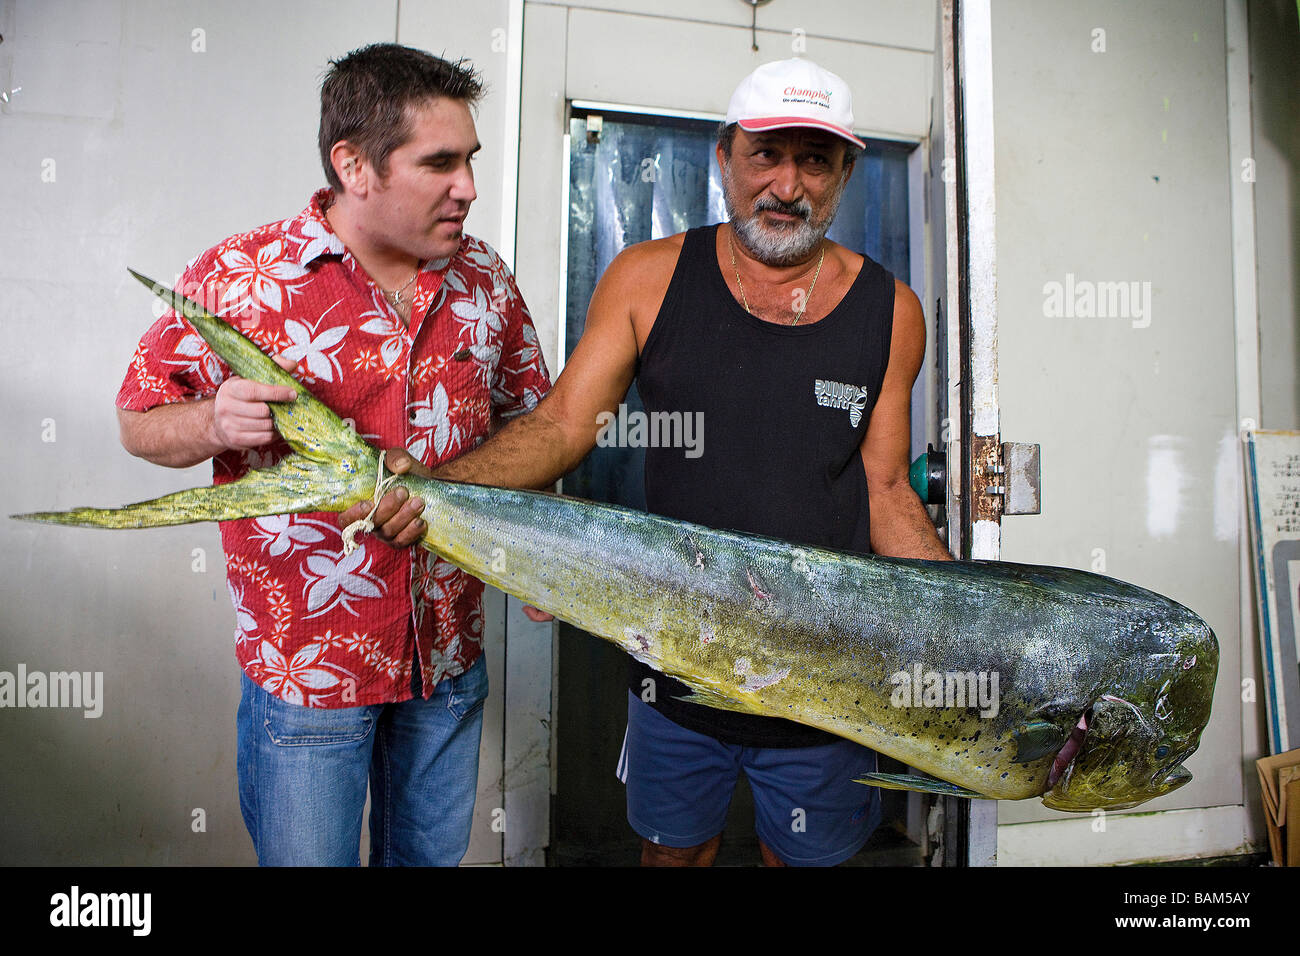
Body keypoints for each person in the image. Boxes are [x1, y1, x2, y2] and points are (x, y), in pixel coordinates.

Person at [347, 57, 953, 866]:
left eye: (815, 160)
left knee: (805, 861)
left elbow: (885, 490)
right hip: (673, 657)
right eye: (765, 155)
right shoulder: (647, 278)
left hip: (823, 676)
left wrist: (962, 638)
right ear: (724, 158)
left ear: (844, 172)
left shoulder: (891, 310)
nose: (787, 185)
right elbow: (565, 425)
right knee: (675, 857)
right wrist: (436, 488)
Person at [114, 44, 551, 866]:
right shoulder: (242, 277)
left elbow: (536, 421)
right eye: (441, 163)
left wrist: (537, 554)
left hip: (448, 662)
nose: (470, 187)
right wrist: (215, 420)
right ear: (354, 164)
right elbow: (138, 420)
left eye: (472, 160)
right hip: (308, 673)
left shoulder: (486, 278)